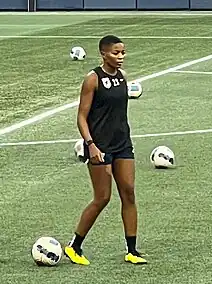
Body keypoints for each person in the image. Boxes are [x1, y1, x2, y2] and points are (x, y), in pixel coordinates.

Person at [64, 35, 147, 265]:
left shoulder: (123, 77)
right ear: (103, 53)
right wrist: (91, 145)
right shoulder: (93, 79)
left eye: (123, 53)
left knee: (129, 192)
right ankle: (74, 246)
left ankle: (132, 250)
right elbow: (81, 117)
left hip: (123, 144)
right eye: (115, 53)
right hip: (99, 145)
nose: (120, 57)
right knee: (102, 197)